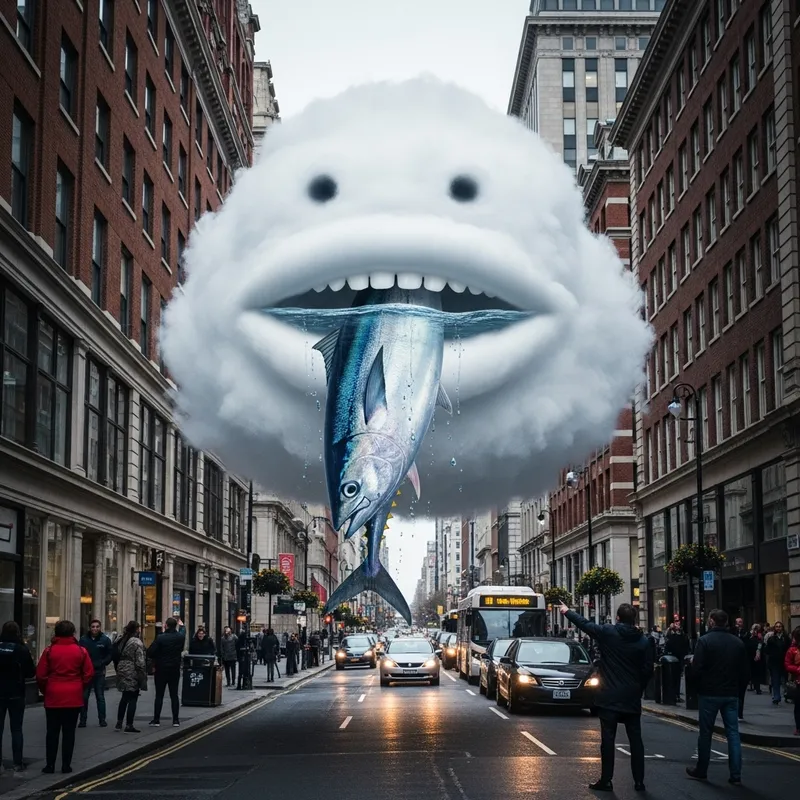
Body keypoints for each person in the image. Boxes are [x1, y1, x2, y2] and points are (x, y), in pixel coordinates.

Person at [559, 601, 652, 793]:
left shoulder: (609, 633)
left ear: (618, 618)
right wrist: (638, 688)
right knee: (636, 740)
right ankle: (639, 782)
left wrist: (567, 611)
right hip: (631, 696)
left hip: (609, 695)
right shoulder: (643, 641)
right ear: (633, 619)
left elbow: (585, 624)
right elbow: (647, 670)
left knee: (608, 739)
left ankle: (606, 780)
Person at [685, 609, 749, 786]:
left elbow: (696, 669)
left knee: (706, 733)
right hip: (730, 693)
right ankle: (735, 774)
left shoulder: (704, 641)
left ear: (712, 621)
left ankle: (702, 770)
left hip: (709, 693)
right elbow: (745, 671)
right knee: (733, 734)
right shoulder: (737, 643)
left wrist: (696, 684)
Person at [35, 619, 94, 774]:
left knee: (52, 732)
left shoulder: (49, 651)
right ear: (73, 633)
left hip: (53, 695)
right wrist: (79, 685)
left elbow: (40, 675)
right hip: (73, 696)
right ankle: (66, 765)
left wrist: (46, 689)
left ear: (56, 632)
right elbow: (89, 673)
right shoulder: (81, 651)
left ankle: (50, 765)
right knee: (69, 733)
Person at [0, 621, 36, 772]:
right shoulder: (22, 649)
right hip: (16, 693)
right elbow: (30, 672)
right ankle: (17, 762)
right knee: (16, 729)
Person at [146, 617, 185, 727]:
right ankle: (176, 720)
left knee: (159, 695)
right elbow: (182, 635)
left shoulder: (160, 638)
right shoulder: (180, 637)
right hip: (174, 669)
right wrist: (182, 627)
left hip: (161, 669)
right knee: (174, 695)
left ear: (166, 625)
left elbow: (150, 652)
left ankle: (156, 720)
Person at [78, 619, 113, 728]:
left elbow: (110, 654)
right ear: (90, 628)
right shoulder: (83, 640)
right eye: (93, 626)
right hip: (86, 673)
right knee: (84, 697)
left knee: (100, 696)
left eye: (97, 626)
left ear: (100, 627)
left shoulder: (105, 640)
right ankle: (82, 720)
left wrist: (102, 663)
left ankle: (102, 720)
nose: (95, 629)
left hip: (99, 672)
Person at [114, 621, 146, 733]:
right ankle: (129, 724)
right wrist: (142, 674)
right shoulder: (136, 642)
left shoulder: (121, 639)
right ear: (137, 629)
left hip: (121, 668)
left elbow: (115, 654)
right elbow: (140, 661)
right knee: (133, 698)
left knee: (124, 697)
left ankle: (119, 723)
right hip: (132, 670)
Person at [763, 621, 789, 704]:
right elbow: (766, 650)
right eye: (777, 626)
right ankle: (777, 696)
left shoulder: (786, 638)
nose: (778, 628)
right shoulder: (772, 638)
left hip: (784, 661)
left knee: (785, 679)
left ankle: (786, 694)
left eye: (780, 626)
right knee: (775, 680)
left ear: (782, 628)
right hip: (774, 662)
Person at [663, 622, 689, 701]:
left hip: (675, 658)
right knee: (676, 678)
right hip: (677, 659)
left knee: (673, 677)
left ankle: (673, 694)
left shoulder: (672, 637)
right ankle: (675, 694)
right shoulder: (681, 637)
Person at [784, 626, 800, 736]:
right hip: (798, 682)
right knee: (798, 706)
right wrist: (798, 669)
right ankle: (799, 727)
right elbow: (787, 665)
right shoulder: (792, 650)